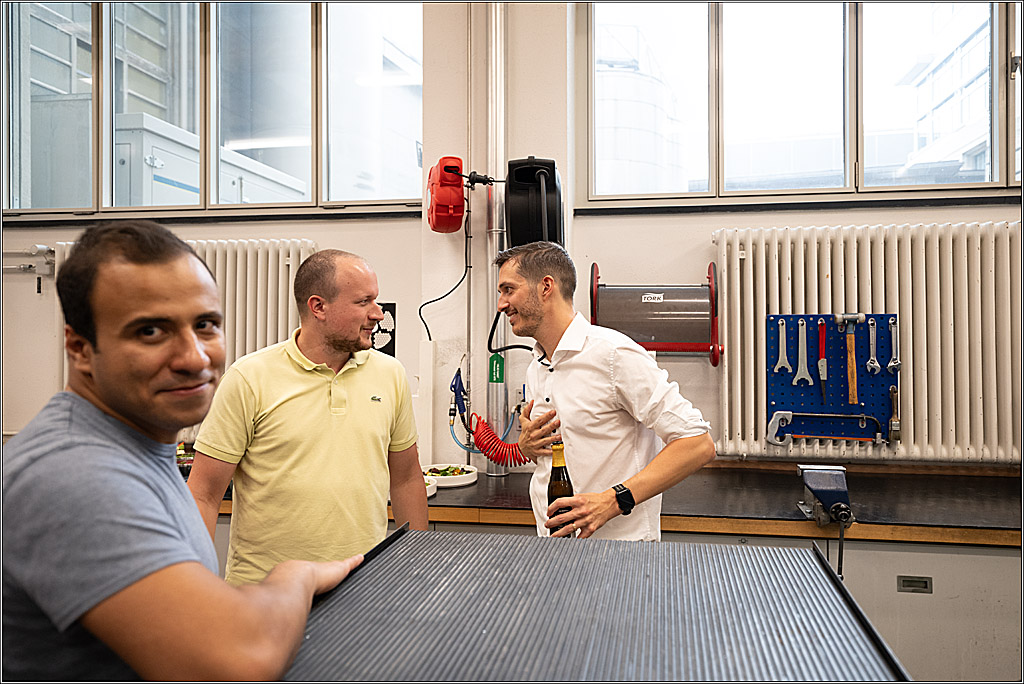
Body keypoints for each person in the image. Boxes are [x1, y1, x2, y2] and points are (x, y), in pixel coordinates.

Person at [1, 221, 362, 681]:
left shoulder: (136, 446)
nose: (194, 357)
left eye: (206, 325)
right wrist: (298, 575)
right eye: (151, 331)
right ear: (80, 349)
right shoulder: (73, 477)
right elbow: (239, 657)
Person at [187, 249, 428, 586]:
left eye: (376, 301)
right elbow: (203, 493)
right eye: (363, 302)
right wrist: (192, 586)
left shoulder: (390, 374)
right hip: (263, 593)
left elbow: (406, 479)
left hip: (362, 586)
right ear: (319, 307)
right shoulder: (249, 378)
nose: (378, 314)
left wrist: (417, 568)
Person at [495, 241, 716, 540]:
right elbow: (573, 446)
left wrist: (613, 501)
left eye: (509, 290)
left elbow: (698, 443)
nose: (501, 304)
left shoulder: (614, 355)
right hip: (554, 548)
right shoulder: (537, 365)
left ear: (546, 287)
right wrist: (528, 447)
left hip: (619, 555)